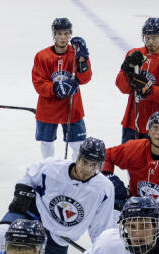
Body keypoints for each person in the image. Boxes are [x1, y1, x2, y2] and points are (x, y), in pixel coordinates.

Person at [0, 137, 114, 254]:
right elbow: (29, 177)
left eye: (94, 165)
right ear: (78, 158)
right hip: (36, 215)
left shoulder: (104, 189)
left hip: (60, 237)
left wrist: (103, 251)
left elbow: (101, 227)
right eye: (85, 162)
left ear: (100, 166)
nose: (87, 169)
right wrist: (22, 193)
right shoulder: (52, 166)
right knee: (1, 233)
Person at [32, 17, 93, 159]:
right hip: (48, 108)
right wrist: (56, 88)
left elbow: (85, 78)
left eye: (66, 34)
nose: (63, 37)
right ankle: (49, 170)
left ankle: (74, 174)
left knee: (78, 145)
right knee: (46, 144)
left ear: (70, 34)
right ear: (54, 34)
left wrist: (83, 60)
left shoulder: (76, 54)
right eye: (59, 34)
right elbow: (38, 83)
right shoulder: (42, 56)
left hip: (72, 107)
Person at [115, 17, 159, 143]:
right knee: (128, 161)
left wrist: (147, 89)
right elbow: (122, 87)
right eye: (147, 37)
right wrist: (126, 69)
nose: (151, 42)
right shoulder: (135, 53)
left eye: (155, 37)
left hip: (157, 127)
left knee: (155, 162)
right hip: (131, 123)